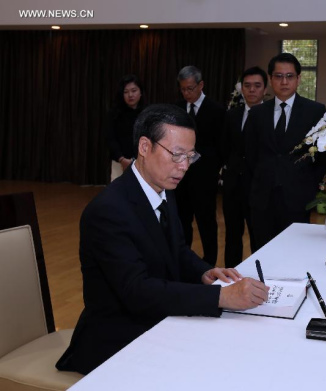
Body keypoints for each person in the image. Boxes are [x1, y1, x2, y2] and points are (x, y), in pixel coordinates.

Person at [56, 104, 268, 375]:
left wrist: (203, 272)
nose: (184, 166)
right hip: (118, 338)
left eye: (190, 156)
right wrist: (220, 296)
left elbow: (177, 250)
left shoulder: (163, 188)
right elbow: (138, 292)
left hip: (155, 320)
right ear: (145, 147)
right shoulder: (108, 210)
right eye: (177, 154)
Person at [245, 53, 326, 249]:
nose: (284, 82)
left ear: (298, 79)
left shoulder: (315, 111)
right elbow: (251, 154)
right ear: (270, 79)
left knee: (295, 252)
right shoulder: (257, 113)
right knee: (262, 252)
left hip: (297, 198)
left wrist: (308, 184)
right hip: (262, 199)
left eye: (290, 76)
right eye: (278, 76)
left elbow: (323, 156)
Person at [175, 66, 225, 266]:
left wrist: (209, 168)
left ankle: (209, 262)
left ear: (201, 85)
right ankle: (183, 260)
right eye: (183, 89)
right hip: (180, 177)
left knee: (206, 222)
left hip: (204, 178)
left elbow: (220, 146)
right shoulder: (177, 108)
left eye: (190, 88)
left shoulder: (216, 110)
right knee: (181, 221)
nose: (187, 93)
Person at [222, 66, 268, 267]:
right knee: (232, 235)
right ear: (241, 88)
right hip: (233, 185)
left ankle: (259, 276)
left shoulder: (270, 116)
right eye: (247, 86)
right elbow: (224, 146)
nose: (252, 90)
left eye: (257, 86)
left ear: (265, 89)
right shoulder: (232, 114)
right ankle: (231, 276)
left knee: (258, 236)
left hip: (258, 187)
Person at [106, 74, 146, 181]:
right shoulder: (114, 114)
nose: (130, 95)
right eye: (126, 92)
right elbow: (110, 138)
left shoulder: (147, 113)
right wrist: (122, 159)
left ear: (140, 92)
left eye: (134, 90)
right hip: (119, 162)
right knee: (118, 195)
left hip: (142, 163)